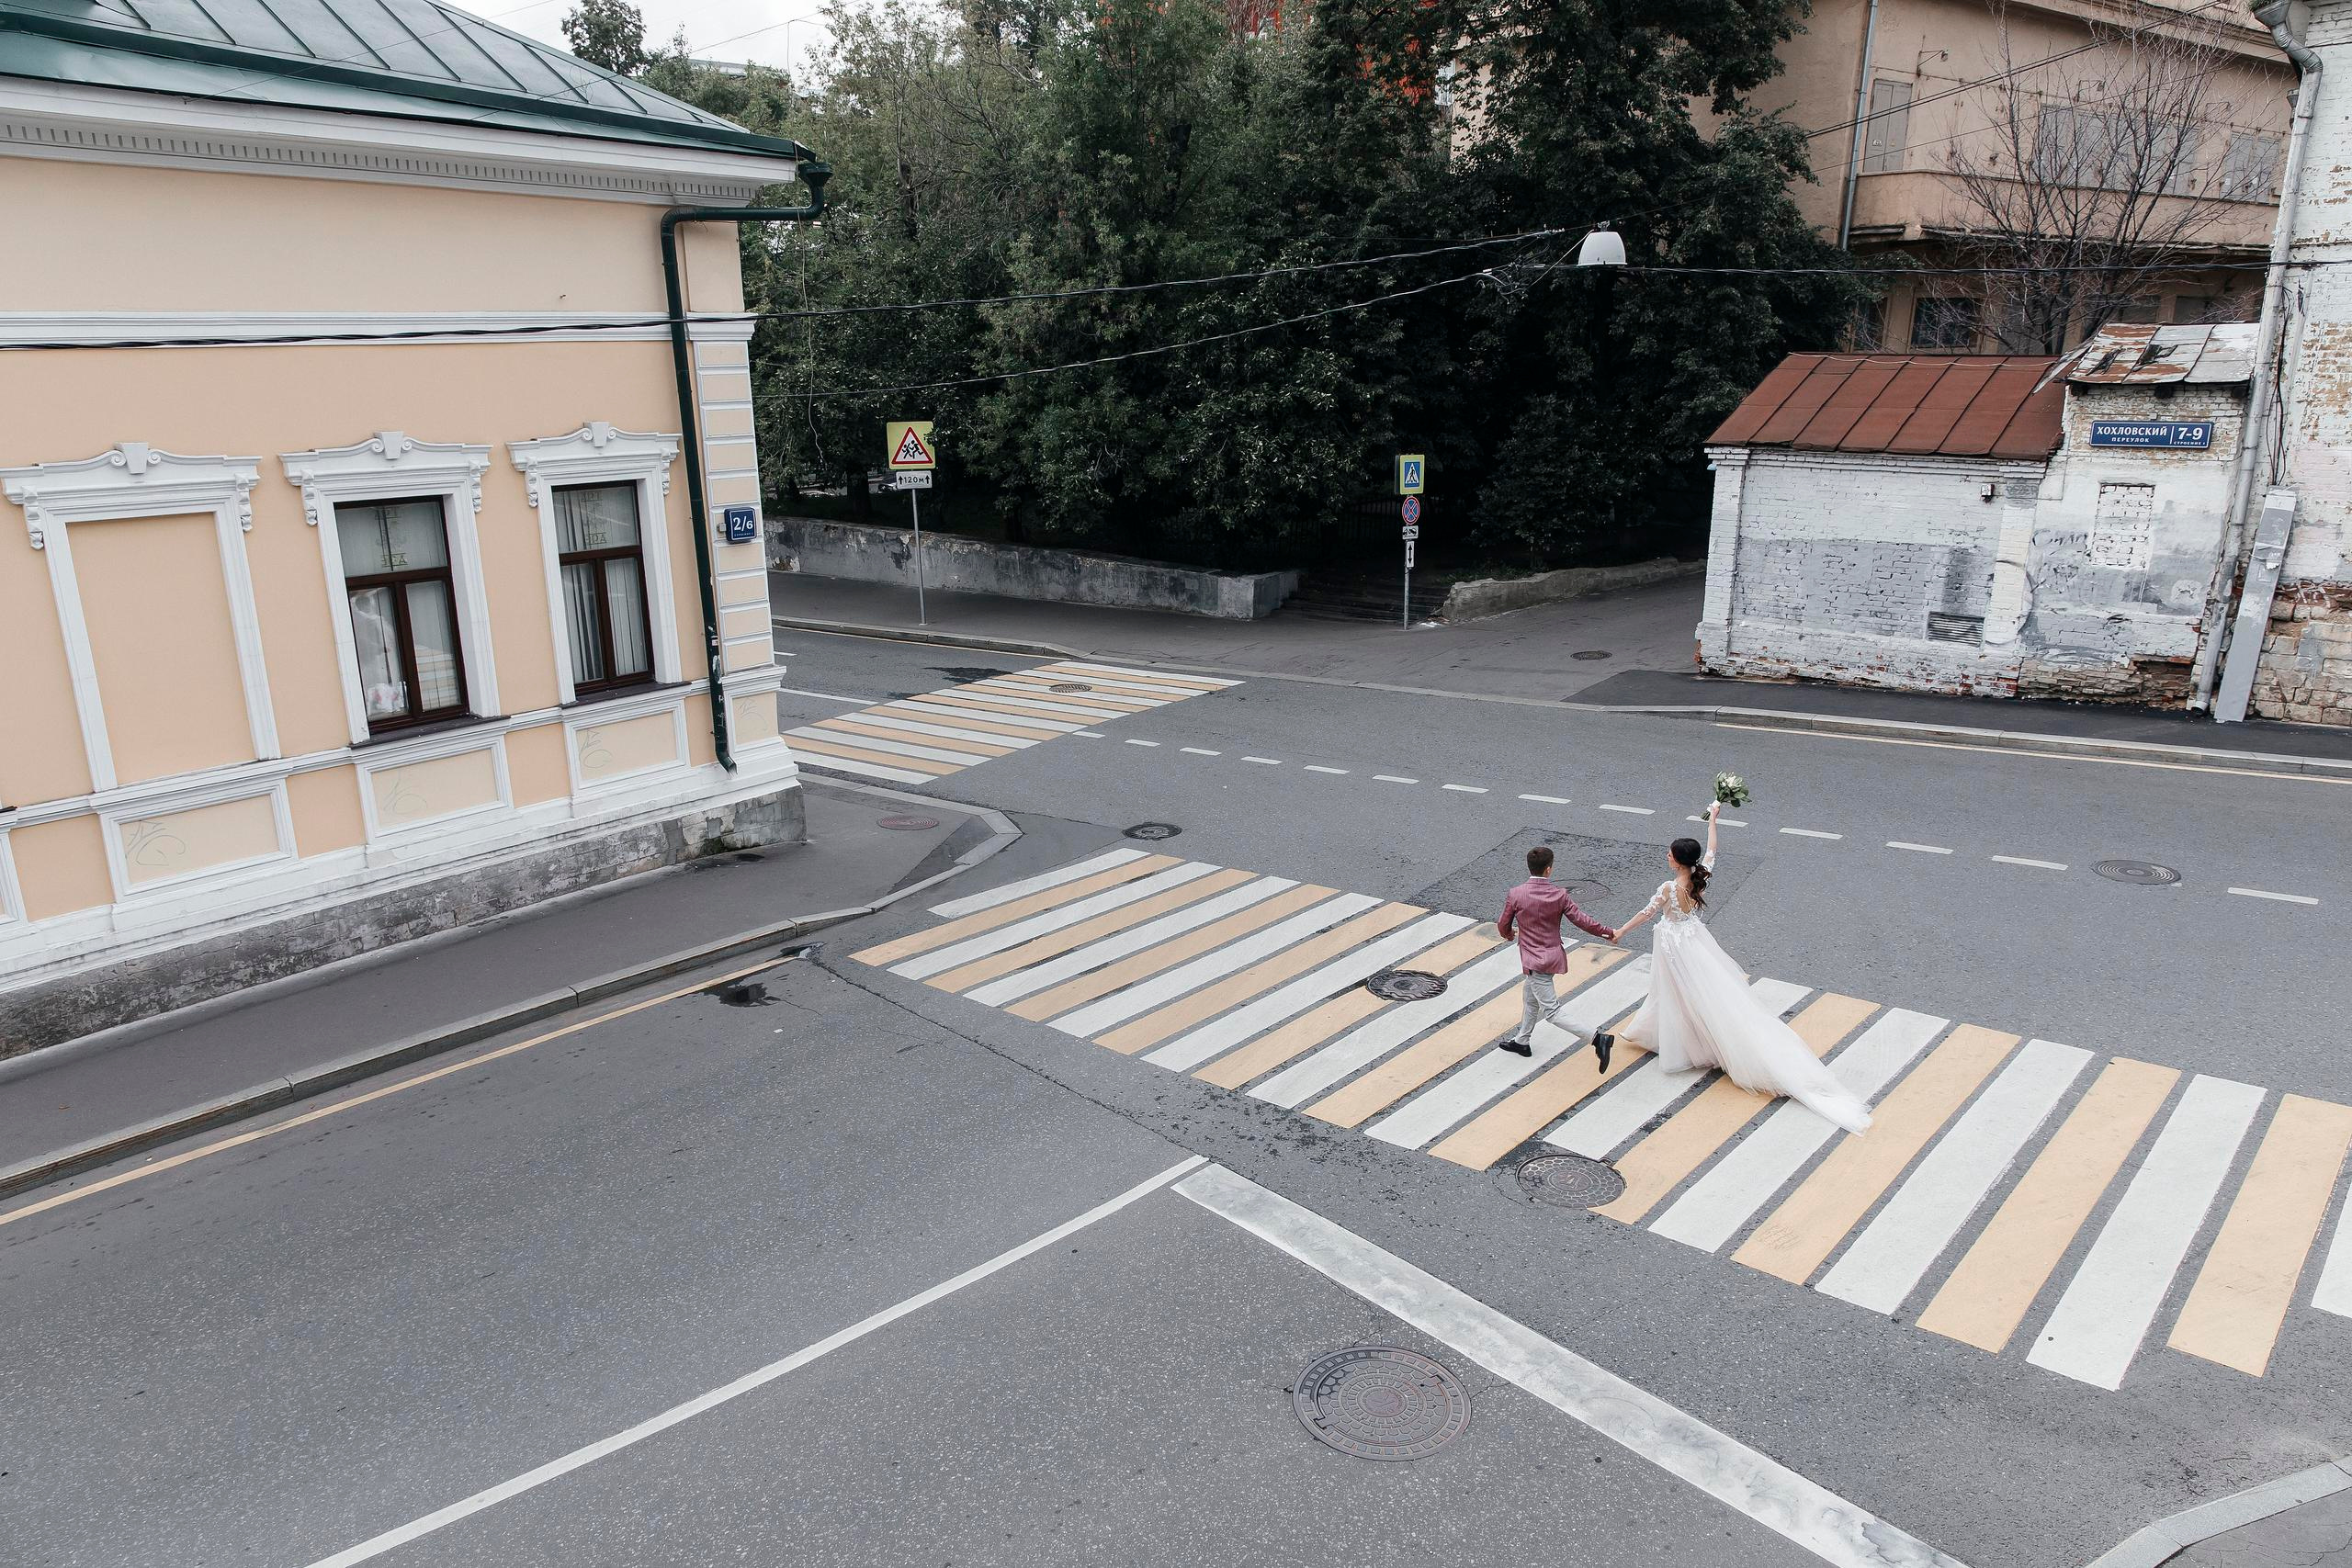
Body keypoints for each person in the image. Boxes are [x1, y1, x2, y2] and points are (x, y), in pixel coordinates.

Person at [1609, 805, 1871, 1134]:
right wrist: (1714, 819)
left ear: (1677, 859)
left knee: (1676, 993)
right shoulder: (1700, 875)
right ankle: (1657, 1032)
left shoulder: (1668, 888)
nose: (1666, 855)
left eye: (1669, 853)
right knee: (1698, 993)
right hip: (1695, 941)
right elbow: (1714, 849)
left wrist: (1619, 931)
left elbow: (1647, 913)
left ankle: (1683, 1042)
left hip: (1675, 947)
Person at [1496, 845, 1620, 1066]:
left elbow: (1503, 924)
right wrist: (1608, 933)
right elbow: (1582, 920)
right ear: (1549, 870)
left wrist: (1508, 934)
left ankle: (1598, 1038)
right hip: (1551, 956)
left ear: (1529, 867)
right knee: (1530, 997)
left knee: (1552, 1012)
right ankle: (1522, 1041)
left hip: (1534, 961)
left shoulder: (1516, 894)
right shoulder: (1559, 894)